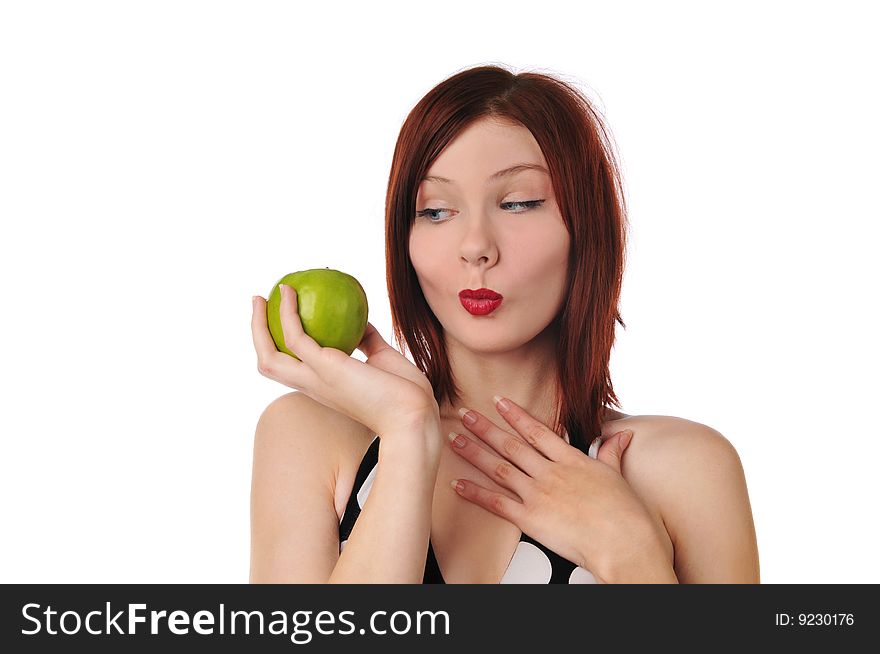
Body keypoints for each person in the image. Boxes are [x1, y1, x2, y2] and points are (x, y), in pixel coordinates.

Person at [249, 64, 760, 584]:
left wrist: (631, 556)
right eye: (436, 211)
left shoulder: (685, 470)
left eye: (519, 203)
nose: (475, 246)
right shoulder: (312, 437)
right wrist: (406, 436)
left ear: (585, 226)